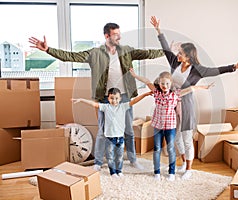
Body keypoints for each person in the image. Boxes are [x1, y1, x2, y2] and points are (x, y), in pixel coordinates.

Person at [29, 23, 165, 170]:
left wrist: (167, 50)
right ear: (107, 36)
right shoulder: (95, 53)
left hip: (124, 96)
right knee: (102, 132)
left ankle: (133, 160)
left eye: (119, 34)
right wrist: (48, 49)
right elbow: (70, 57)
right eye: (115, 34)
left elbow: (149, 54)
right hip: (105, 97)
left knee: (128, 131)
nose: (119, 37)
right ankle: (98, 163)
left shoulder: (127, 50)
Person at [150, 16, 238, 179]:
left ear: (189, 57)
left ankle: (189, 169)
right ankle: (184, 161)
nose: (178, 54)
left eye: (181, 53)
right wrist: (158, 30)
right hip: (172, 104)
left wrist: (234, 66)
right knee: (176, 138)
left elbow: (216, 70)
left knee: (186, 138)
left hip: (187, 105)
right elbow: (165, 49)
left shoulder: (198, 70)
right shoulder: (174, 63)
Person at [130, 69, 214, 181]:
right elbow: (146, 81)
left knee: (170, 148)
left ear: (171, 84)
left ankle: (172, 173)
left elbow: (191, 89)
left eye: (167, 84)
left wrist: (205, 87)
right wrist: (135, 75)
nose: (165, 86)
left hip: (170, 126)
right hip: (158, 126)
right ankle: (157, 173)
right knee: (157, 149)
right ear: (159, 83)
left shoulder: (175, 94)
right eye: (162, 83)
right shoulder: (156, 93)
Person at [71, 88, 151, 178]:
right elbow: (93, 104)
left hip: (120, 138)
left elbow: (135, 100)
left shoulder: (123, 106)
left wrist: (145, 94)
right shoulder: (105, 107)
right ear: (108, 99)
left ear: (120, 98)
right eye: (112, 98)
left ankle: (119, 171)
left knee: (119, 157)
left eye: (116, 98)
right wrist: (81, 100)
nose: (114, 101)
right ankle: (113, 172)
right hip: (109, 139)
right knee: (110, 157)